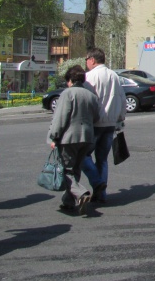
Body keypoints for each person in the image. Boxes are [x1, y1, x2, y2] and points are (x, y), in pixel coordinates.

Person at [48, 65, 102, 215]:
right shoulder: (91, 95)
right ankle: (68, 202)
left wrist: (54, 136)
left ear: (70, 80)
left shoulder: (68, 93)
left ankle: (81, 193)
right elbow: (96, 117)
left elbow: (60, 118)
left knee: (66, 170)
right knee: (75, 169)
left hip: (69, 137)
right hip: (87, 137)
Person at [82, 48, 126, 203]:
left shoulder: (89, 76)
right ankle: (101, 194)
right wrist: (120, 119)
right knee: (102, 159)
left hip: (94, 123)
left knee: (83, 156)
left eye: (86, 59)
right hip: (111, 124)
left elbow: (86, 100)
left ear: (92, 60)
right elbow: (122, 98)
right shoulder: (114, 75)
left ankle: (97, 183)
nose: (86, 62)